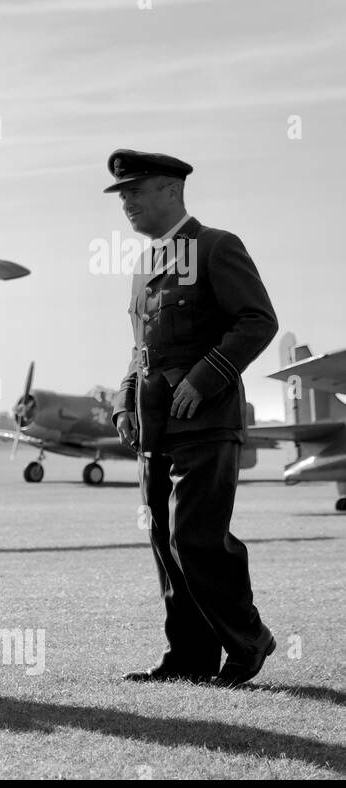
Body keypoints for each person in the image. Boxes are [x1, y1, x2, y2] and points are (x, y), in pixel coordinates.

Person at [106, 149, 279, 688]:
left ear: (172, 190)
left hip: (205, 421)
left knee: (196, 536)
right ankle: (189, 657)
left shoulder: (216, 246)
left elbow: (257, 321)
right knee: (164, 540)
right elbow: (141, 349)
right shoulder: (144, 266)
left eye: (137, 190)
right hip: (155, 427)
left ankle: (249, 639)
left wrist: (205, 378)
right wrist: (124, 402)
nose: (127, 202)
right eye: (123, 194)